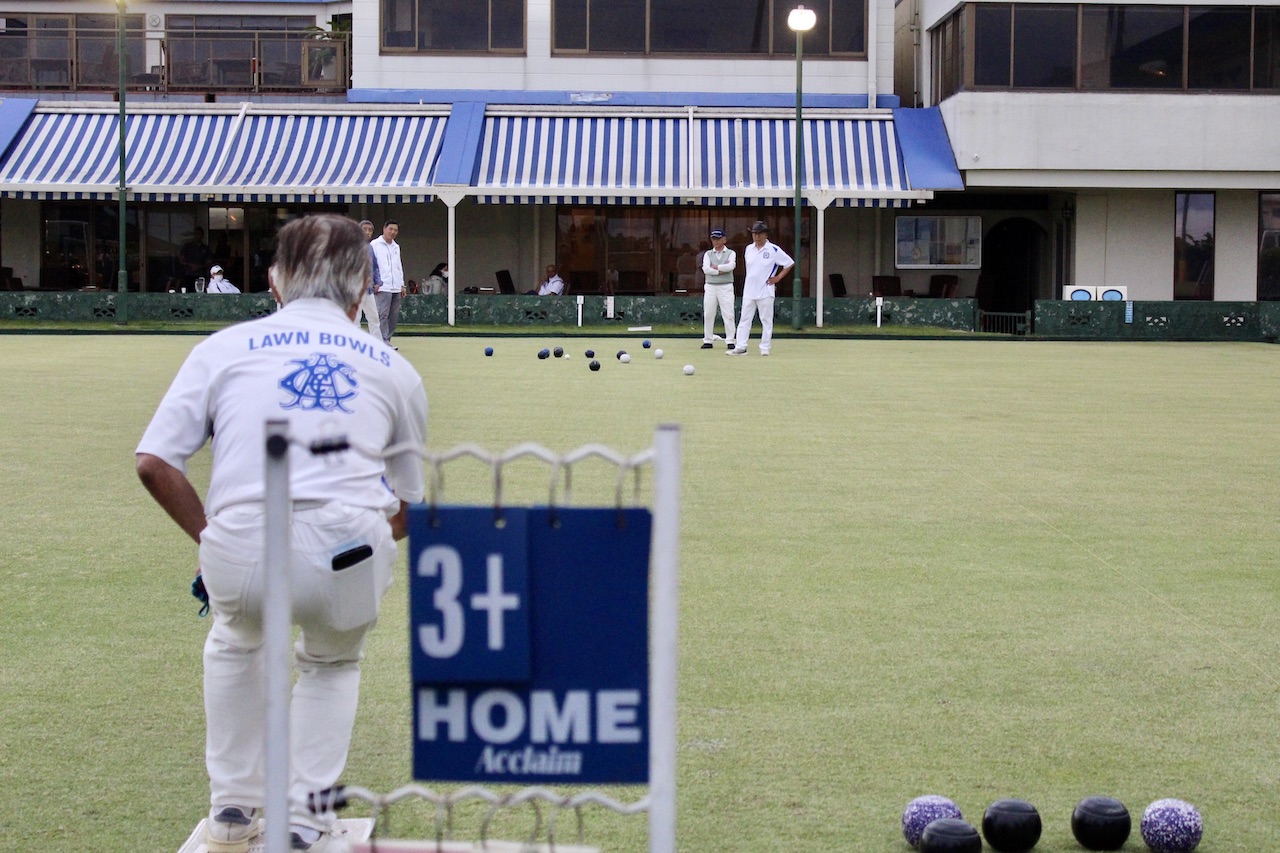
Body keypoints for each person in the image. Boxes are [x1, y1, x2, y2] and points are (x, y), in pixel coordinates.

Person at [135, 214, 427, 853]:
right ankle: (303, 817)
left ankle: (233, 807)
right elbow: (409, 508)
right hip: (350, 546)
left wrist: (211, 540)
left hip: (241, 542)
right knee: (331, 665)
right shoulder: (394, 368)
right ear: (363, 289)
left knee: (236, 644)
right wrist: (356, 543)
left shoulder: (220, 349)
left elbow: (154, 463)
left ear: (274, 281)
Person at [728, 221, 793, 357]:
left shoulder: (774, 250)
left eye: (759, 234)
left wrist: (778, 277)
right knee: (744, 319)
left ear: (765, 234)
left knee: (766, 320)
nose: (756, 236)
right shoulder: (748, 249)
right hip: (749, 290)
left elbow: (789, 263)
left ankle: (765, 347)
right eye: (754, 234)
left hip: (766, 290)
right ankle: (741, 347)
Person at [370, 220, 404, 346]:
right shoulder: (375, 244)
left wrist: (402, 284)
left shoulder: (396, 246)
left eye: (395, 230)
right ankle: (382, 340)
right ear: (384, 229)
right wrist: (374, 282)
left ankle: (387, 339)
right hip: (382, 286)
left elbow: (398, 266)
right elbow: (372, 265)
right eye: (391, 229)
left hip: (396, 286)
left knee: (393, 316)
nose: (393, 232)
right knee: (382, 314)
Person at [701, 229, 736, 350]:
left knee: (728, 313)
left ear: (724, 240)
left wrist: (716, 267)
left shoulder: (731, 253)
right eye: (714, 239)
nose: (716, 241)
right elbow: (706, 269)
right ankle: (708, 340)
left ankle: (730, 340)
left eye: (718, 238)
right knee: (708, 313)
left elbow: (731, 266)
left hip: (726, 286)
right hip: (710, 286)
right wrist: (720, 271)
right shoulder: (708, 254)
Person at [355, 220, 382, 341]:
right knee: (355, 319)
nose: (367, 232)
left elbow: (375, 267)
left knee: (374, 318)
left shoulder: (370, 248)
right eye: (364, 229)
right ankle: (356, 343)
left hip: (369, 289)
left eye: (370, 230)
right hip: (355, 289)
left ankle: (378, 343)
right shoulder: (351, 247)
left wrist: (378, 282)